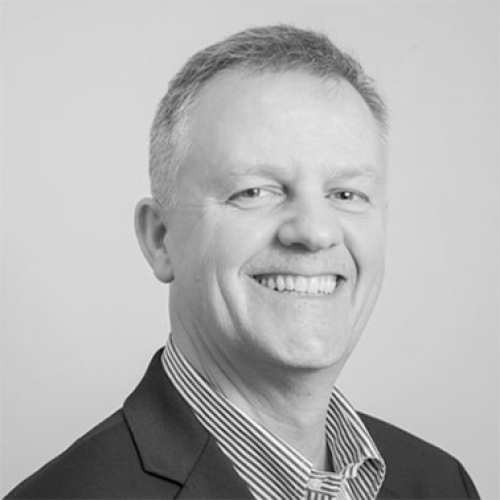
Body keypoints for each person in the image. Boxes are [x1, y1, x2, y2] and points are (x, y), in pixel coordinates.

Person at [6, 25, 479, 500]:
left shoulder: (441, 484)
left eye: (346, 194)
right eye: (254, 191)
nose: (315, 231)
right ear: (160, 239)